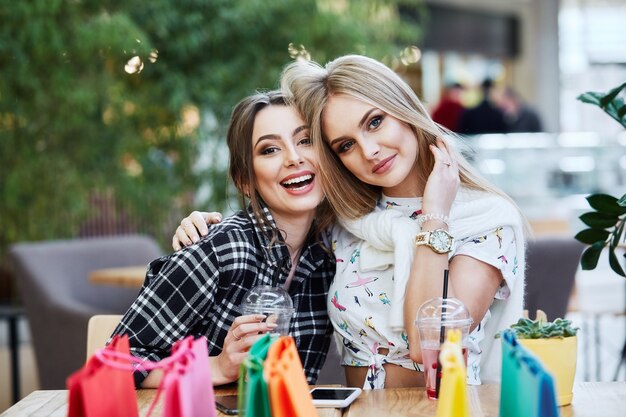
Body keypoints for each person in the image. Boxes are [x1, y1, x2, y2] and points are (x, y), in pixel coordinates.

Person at [175, 55, 526, 390]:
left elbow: (429, 346)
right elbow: (278, 228)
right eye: (345, 145)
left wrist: (433, 216)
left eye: (375, 122)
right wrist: (206, 227)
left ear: (403, 108)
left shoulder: (483, 219)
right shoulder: (347, 219)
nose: (369, 150)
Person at [111, 90, 336, 388]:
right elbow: (113, 365)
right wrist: (217, 366)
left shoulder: (330, 254)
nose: (294, 158)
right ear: (245, 180)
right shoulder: (219, 251)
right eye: (269, 150)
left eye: (305, 140)